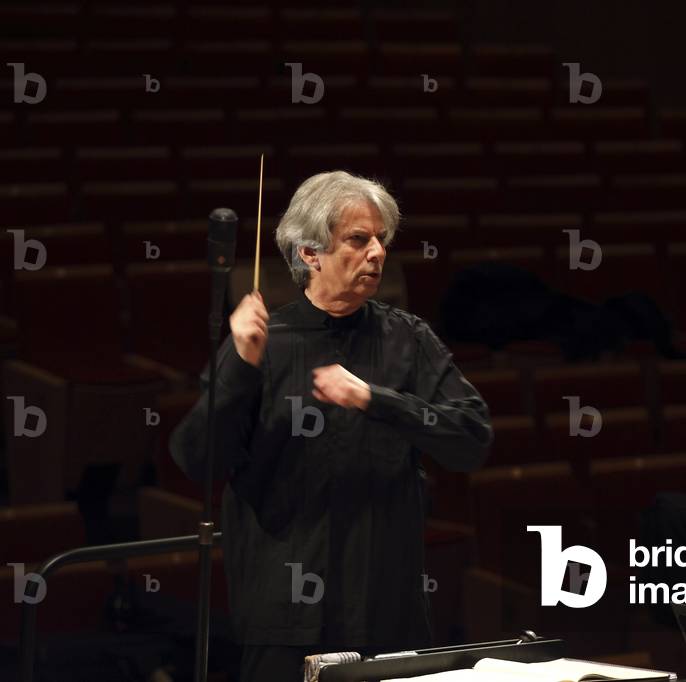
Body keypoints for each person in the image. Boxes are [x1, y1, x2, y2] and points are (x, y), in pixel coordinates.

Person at [169, 171, 493, 682]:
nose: (377, 253)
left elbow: (472, 440)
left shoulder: (408, 339)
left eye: (381, 239)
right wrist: (239, 369)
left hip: (389, 618)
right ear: (309, 254)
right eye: (358, 239)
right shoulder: (261, 344)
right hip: (283, 621)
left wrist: (376, 398)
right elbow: (196, 461)